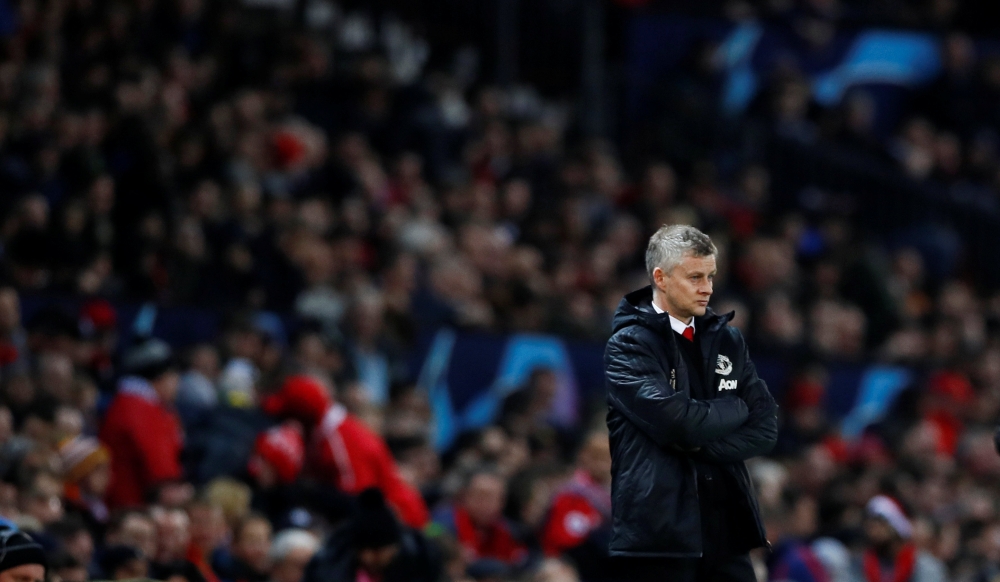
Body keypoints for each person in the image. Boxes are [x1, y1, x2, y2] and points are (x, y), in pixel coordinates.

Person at [604, 224, 778, 582]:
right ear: (661, 278)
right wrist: (735, 409)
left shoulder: (728, 339)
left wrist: (695, 443)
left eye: (711, 276)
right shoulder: (629, 345)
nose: (708, 288)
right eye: (695, 277)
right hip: (660, 537)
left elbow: (765, 428)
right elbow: (677, 422)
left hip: (728, 529)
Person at [261, 374, 429, 528]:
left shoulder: (342, 440)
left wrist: (308, 493)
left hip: (402, 518)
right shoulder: (320, 431)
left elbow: (358, 503)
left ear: (302, 415)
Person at [99, 339, 188, 509]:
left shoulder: (133, 403)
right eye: (174, 376)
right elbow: (161, 469)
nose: (177, 384)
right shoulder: (138, 407)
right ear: (161, 377)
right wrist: (175, 491)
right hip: (132, 504)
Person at [304, 488, 441, 582]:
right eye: (362, 550)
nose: (367, 557)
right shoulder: (330, 564)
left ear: (394, 547)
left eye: (376, 551)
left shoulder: (421, 559)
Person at [432, 466, 527, 565]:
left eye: (494, 498)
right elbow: (430, 534)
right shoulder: (442, 521)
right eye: (481, 496)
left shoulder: (509, 531)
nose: (486, 504)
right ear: (465, 496)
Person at [851, 495, 945, 582]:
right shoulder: (859, 564)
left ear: (897, 526)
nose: (874, 529)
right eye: (870, 524)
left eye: (880, 523)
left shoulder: (925, 566)